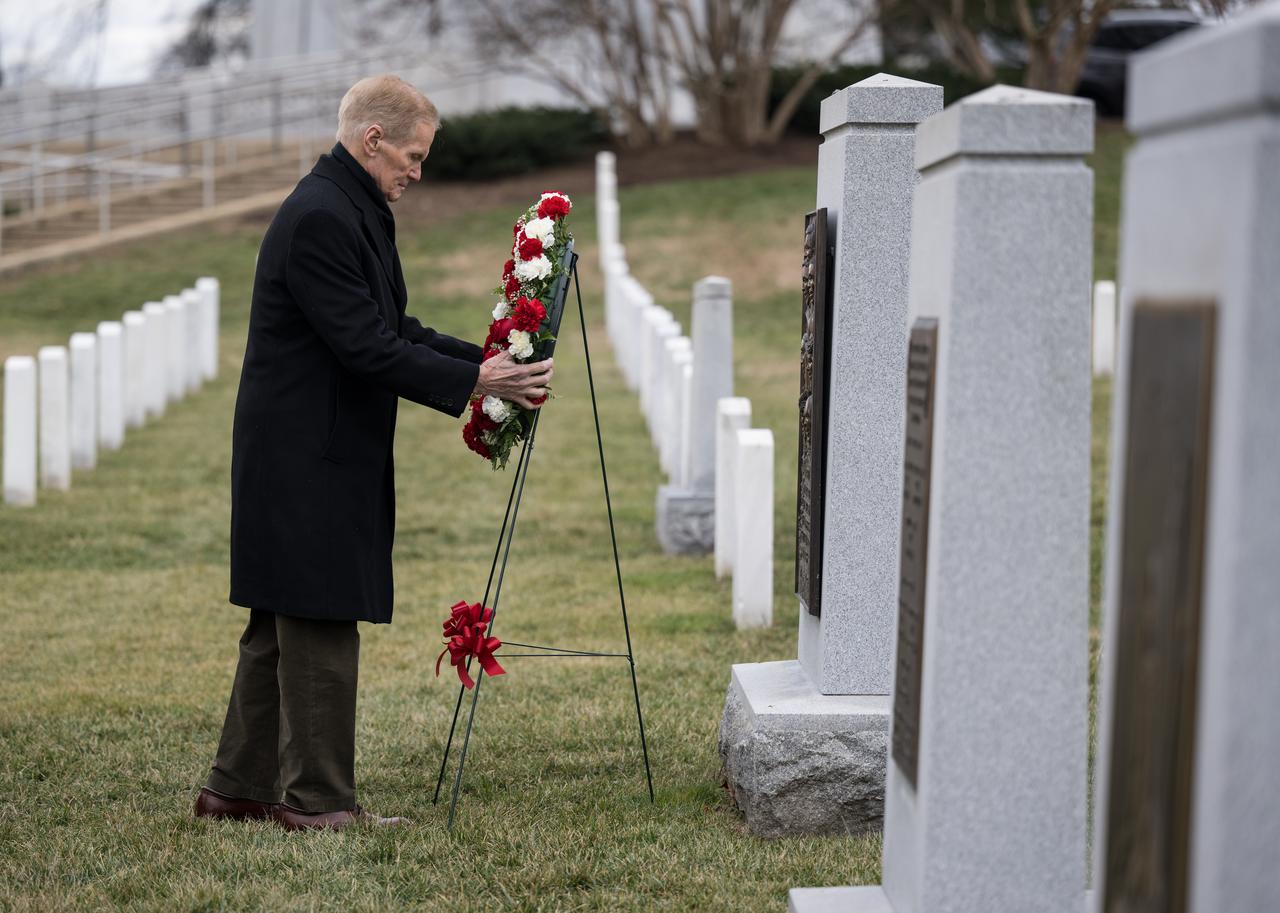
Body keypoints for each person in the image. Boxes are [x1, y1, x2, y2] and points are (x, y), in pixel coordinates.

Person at [193, 75, 552, 830]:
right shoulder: (324, 216)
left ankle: (236, 787)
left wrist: (487, 361)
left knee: (278, 621)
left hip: (306, 447)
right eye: (413, 156)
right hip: (304, 455)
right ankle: (319, 803)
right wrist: (477, 377)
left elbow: (393, 325)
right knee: (319, 613)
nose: (418, 172)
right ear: (373, 140)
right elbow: (364, 347)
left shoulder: (347, 206)